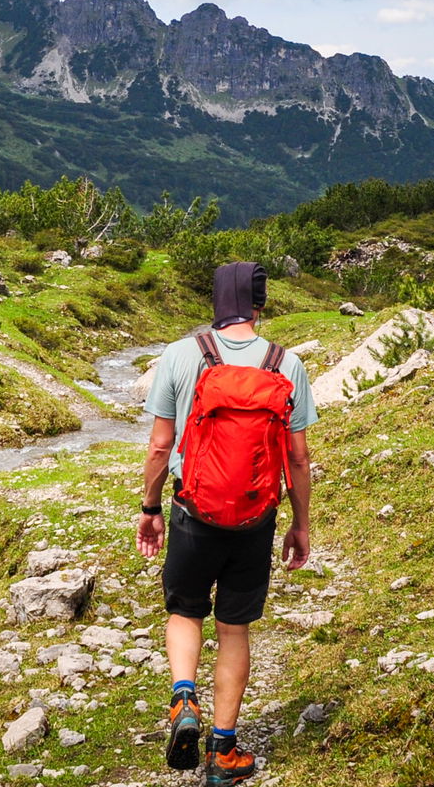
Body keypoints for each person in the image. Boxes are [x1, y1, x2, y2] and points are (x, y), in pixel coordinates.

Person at [136, 261, 317, 783]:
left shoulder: (180, 355)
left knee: (185, 611)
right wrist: (300, 524)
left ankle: (183, 698)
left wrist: (151, 509)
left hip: (193, 509)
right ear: (260, 305)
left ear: (215, 303)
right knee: (234, 629)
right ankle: (224, 754)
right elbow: (298, 460)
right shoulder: (288, 364)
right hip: (255, 518)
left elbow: (158, 446)